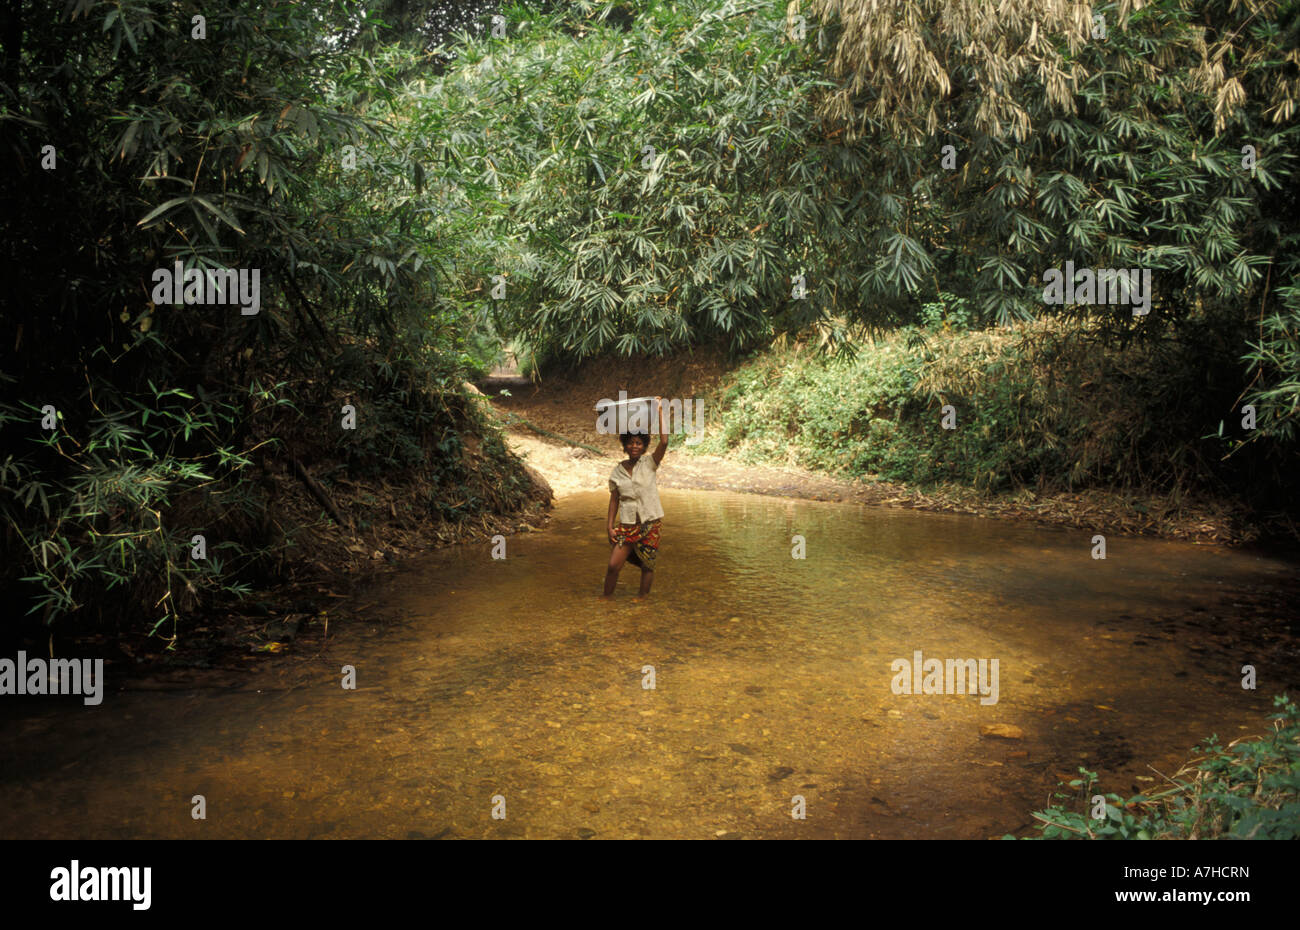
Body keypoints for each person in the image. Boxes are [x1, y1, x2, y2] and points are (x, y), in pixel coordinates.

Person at [603, 396, 667, 597]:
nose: (635, 446)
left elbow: (664, 441)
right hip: (628, 525)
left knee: (648, 566)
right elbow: (614, 500)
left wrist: (659, 411)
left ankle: (642, 602)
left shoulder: (649, 464)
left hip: (650, 523)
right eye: (631, 443)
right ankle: (605, 600)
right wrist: (609, 526)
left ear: (644, 446)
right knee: (613, 565)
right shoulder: (618, 471)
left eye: (639, 443)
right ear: (625, 446)